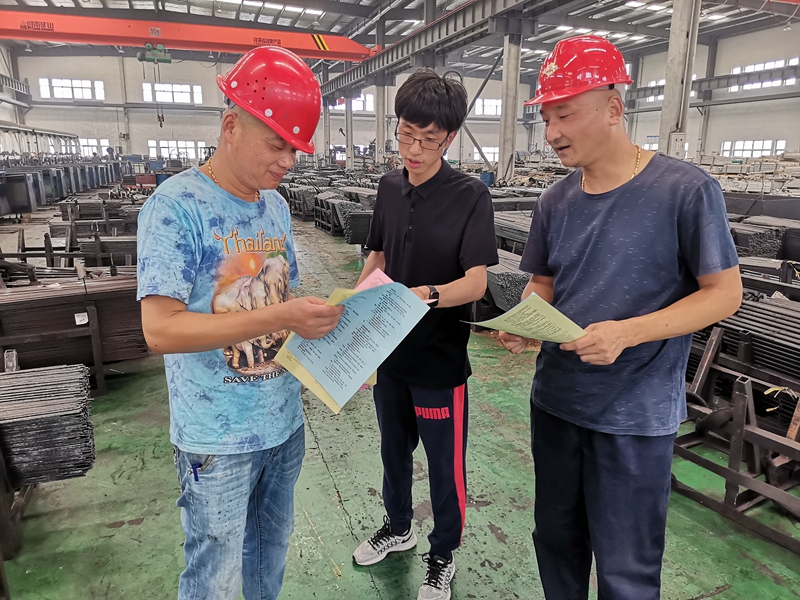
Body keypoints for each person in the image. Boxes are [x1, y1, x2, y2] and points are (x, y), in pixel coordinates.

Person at [498, 35, 743, 600]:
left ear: (613, 108)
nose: (552, 132)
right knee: (556, 542)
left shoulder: (685, 191)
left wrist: (629, 333)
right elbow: (544, 284)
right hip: (556, 404)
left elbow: (723, 294)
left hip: (634, 416)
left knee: (625, 567)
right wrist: (527, 322)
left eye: (565, 114)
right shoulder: (554, 200)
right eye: (546, 118)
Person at [136, 46, 343, 600]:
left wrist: (339, 354)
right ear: (231, 127)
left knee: (267, 564)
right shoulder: (176, 206)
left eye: (295, 149)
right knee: (216, 578)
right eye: (277, 144)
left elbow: (285, 304)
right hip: (217, 439)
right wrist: (280, 314)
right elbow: (160, 329)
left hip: (283, 426)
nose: (288, 161)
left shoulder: (275, 206)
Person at [352, 69, 499, 600]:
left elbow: (476, 282)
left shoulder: (470, 196)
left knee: (443, 465)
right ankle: (398, 527)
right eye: (405, 135)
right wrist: (356, 306)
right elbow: (378, 254)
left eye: (428, 140)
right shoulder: (388, 188)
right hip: (389, 354)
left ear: (450, 137)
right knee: (393, 452)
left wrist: (429, 295)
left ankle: (443, 553)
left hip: (438, 361)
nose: (413, 150)